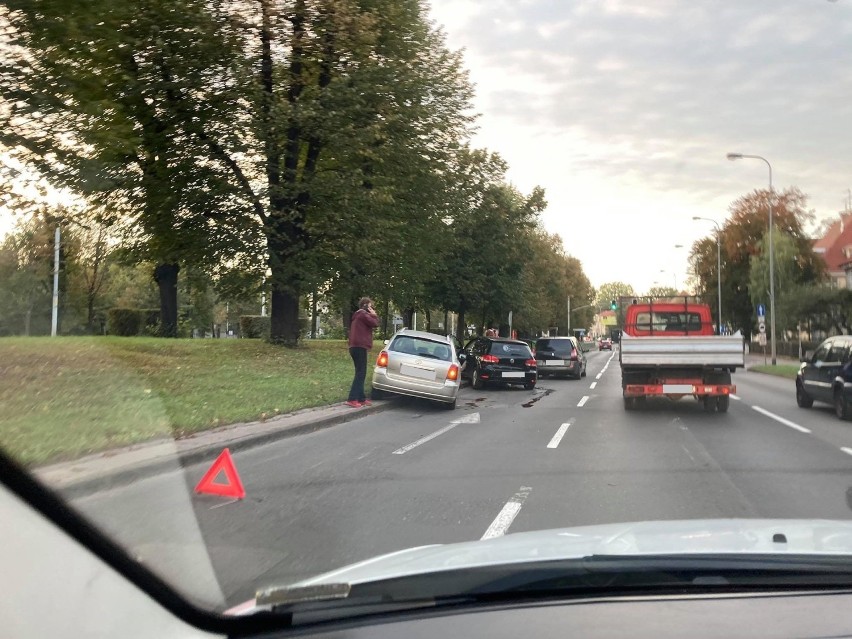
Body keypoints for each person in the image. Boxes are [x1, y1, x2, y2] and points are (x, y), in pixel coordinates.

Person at [346, 297, 380, 408]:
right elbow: (375, 323)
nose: (371, 308)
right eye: (370, 306)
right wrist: (374, 314)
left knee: (360, 372)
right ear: (366, 306)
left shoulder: (358, 315)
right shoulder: (363, 314)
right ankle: (352, 398)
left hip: (354, 346)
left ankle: (361, 398)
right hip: (360, 346)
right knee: (361, 373)